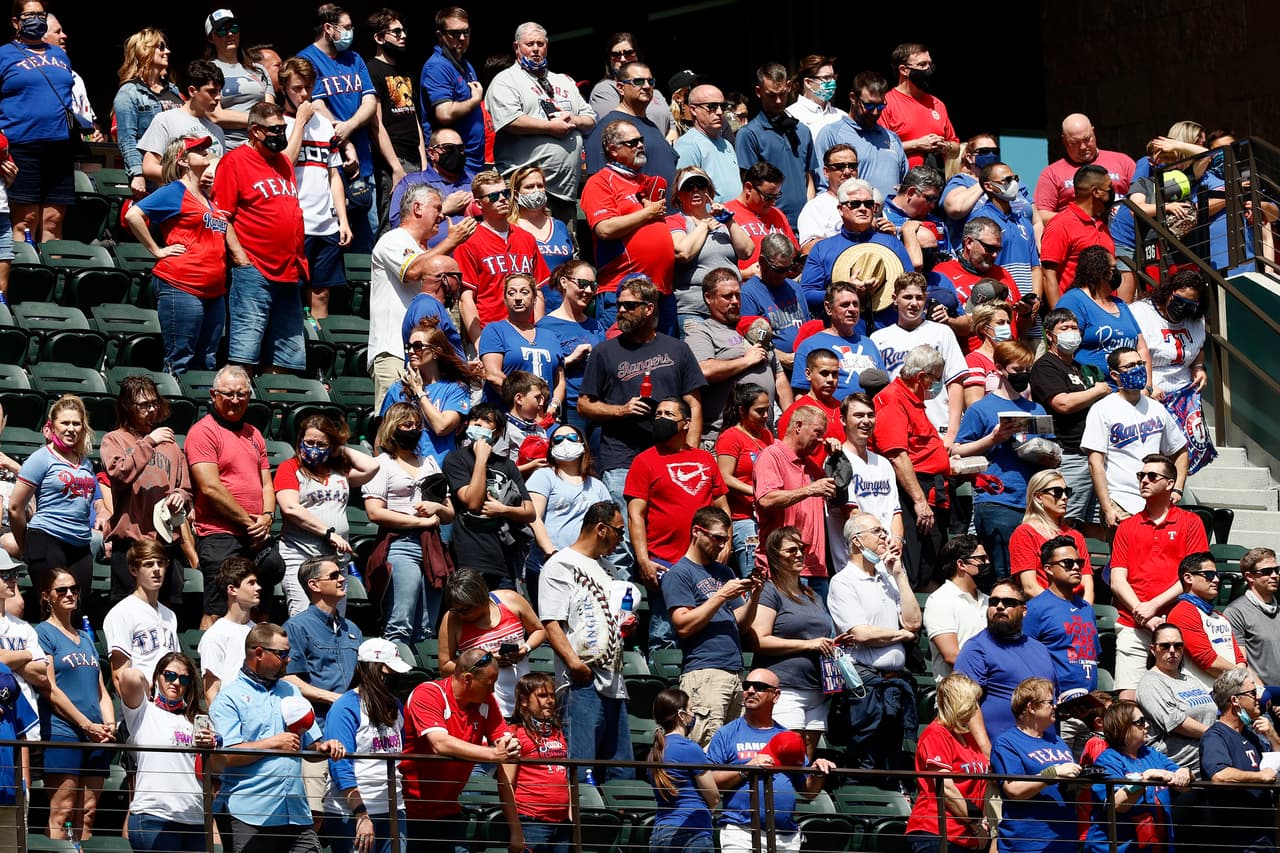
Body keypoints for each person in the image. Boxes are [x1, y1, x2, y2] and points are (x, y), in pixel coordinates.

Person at [578, 276, 706, 567]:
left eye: (628, 305)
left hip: (669, 456)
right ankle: (626, 608)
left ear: (649, 309)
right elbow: (584, 404)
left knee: (670, 532)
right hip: (621, 457)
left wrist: (691, 453)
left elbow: (694, 405)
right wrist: (620, 410)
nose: (620, 310)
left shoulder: (677, 349)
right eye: (618, 304)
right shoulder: (604, 352)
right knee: (619, 539)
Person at [209, 623, 346, 853]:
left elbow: (310, 745)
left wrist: (323, 747)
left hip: (295, 811)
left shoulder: (291, 691)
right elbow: (226, 757)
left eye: (288, 653)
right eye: (282, 654)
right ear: (259, 653)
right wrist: (272, 744)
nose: (289, 660)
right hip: (250, 813)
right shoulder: (228, 699)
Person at [538, 501, 637, 783]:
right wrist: (573, 663)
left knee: (622, 775)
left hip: (614, 680)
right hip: (582, 682)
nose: (621, 540)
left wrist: (626, 625)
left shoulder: (609, 570)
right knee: (581, 772)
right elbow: (551, 622)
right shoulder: (560, 564)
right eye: (619, 532)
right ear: (601, 529)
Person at [212, 101, 308, 375]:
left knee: (287, 357)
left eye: (283, 128)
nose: (281, 134)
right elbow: (222, 216)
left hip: (289, 271)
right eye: (275, 129)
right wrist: (241, 258)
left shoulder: (283, 163)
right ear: (255, 131)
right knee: (245, 354)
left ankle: (278, 406)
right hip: (255, 270)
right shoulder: (235, 162)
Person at [125, 133, 232, 374]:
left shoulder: (206, 197)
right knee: (180, 360)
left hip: (214, 290)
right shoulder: (175, 191)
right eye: (198, 149)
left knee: (208, 361)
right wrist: (157, 250)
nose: (205, 151)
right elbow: (133, 215)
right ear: (183, 160)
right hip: (182, 284)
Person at [399, 647, 522, 852]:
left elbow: (504, 739)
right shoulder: (428, 693)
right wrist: (493, 753)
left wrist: (511, 744)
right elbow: (440, 743)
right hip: (410, 813)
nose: (493, 691)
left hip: (449, 813)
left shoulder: (486, 701)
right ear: (467, 679)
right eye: (489, 684)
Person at [187, 367, 284, 626]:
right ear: (213, 394)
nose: (235, 399)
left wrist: (266, 516)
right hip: (220, 535)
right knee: (217, 612)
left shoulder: (254, 433)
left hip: (255, 535)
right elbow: (210, 487)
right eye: (228, 393)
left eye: (241, 394)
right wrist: (251, 523)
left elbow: (266, 484)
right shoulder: (203, 431)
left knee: (260, 612)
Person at [1108, 454, 1208, 700]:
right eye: (1141, 475)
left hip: (1177, 624)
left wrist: (1153, 607)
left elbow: (1192, 576)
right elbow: (1117, 579)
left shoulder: (1191, 522)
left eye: (1152, 476)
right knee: (1128, 702)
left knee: (1180, 700)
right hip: (1133, 623)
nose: (1144, 480)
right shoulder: (1127, 526)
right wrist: (1144, 614)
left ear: (1170, 483)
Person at [705, 667, 836, 853]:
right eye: (746, 685)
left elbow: (808, 791)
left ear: (776, 695)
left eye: (758, 686)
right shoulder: (726, 734)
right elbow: (710, 783)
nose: (750, 690)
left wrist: (818, 772)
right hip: (741, 833)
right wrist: (746, 768)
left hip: (785, 836)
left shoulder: (788, 738)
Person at [826, 512, 920, 771]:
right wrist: (900, 635)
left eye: (884, 531)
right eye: (877, 531)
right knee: (865, 760)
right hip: (864, 687)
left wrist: (899, 575)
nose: (885, 536)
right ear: (857, 540)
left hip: (894, 683)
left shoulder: (890, 577)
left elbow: (913, 622)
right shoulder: (843, 581)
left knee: (891, 762)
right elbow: (861, 634)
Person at [952, 340, 1051, 580]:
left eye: (1027, 370)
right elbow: (958, 449)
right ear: (999, 369)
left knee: (1033, 570)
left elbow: (1051, 452)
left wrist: (1041, 450)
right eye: (1018, 370)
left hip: (1033, 501)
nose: (1023, 375)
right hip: (998, 499)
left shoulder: (1035, 408)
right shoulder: (981, 409)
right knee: (1004, 571)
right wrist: (993, 438)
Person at [368, 183, 473, 408]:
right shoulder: (394, 239)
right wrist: (451, 241)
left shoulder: (423, 249)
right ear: (417, 208)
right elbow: (414, 271)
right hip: (395, 351)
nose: (442, 215)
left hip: (423, 356)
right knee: (395, 424)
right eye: (437, 208)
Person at [663, 506, 760, 746]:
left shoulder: (724, 571)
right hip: (704, 673)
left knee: (731, 752)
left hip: (734, 674)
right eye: (717, 538)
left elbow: (740, 623)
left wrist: (756, 596)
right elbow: (683, 625)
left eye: (725, 540)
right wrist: (720, 596)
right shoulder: (679, 573)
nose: (721, 545)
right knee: (705, 748)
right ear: (697, 532)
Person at [486, 22, 596, 220]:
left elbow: (591, 119)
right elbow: (509, 121)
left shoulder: (564, 81)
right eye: (529, 44)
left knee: (565, 248)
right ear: (516, 47)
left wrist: (573, 118)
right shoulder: (505, 80)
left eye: (540, 44)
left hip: (565, 191)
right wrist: (550, 128)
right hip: (525, 192)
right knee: (529, 248)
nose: (535, 49)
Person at [35, 568, 115, 840]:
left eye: (74, 588)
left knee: (88, 812)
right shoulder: (43, 632)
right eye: (62, 590)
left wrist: (109, 724)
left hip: (96, 734)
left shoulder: (86, 637)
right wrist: (85, 724)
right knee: (63, 811)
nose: (70, 593)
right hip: (63, 731)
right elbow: (50, 689)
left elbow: (101, 690)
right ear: (47, 596)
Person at [362, 403, 453, 642]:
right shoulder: (382, 464)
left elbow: (449, 513)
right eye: (407, 424)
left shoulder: (429, 463)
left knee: (426, 627)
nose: (413, 429)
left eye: (417, 425)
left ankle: (419, 676)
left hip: (432, 547)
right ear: (393, 428)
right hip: (400, 544)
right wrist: (418, 522)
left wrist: (437, 507)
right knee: (400, 622)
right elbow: (375, 512)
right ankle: (394, 677)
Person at [101, 376, 193, 605]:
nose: (151, 410)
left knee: (168, 611)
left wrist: (180, 496)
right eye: (144, 405)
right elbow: (118, 474)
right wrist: (149, 443)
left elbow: (187, 489)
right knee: (127, 609)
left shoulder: (170, 444)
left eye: (154, 403)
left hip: (165, 543)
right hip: (131, 542)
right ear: (127, 407)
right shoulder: (114, 440)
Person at [10, 395, 105, 617]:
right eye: (65, 423)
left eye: (76, 423)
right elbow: (15, 507)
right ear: (52, 427)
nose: (71, 428)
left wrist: (102, 512)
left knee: (76, 611)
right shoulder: (41, 458)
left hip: (81, 545)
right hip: (47, 539)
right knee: (53, 611)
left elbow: (96, 499)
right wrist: (25, 546)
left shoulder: (85, 462)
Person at [275, 416, 378, 617]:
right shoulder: (290, 468)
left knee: (334, 618)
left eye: (321, 444)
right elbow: (290, 508)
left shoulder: (339, 471)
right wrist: (328, 533)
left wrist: (341, 448)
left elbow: (372, 467)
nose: (314, 448)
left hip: (336, 560)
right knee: (304, 616)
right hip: (302, 556)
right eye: (309, 442)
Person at [296, 4, 380, 250]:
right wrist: (344, 140)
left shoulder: (354, 58)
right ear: (328, 28)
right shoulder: (307, 59)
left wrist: (350, 126)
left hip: (363, 161)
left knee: (369, 231)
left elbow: (369, 100)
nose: (351, 32)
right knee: (335, 235)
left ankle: (365, 287)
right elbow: (317, 103)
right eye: (347, 27)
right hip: (329, 163)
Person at [751, 527, 839, 756]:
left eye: (802, 549)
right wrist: (808, 645)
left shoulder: (813, 595)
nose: (799, 554)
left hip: (816, 689)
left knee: (807, 760)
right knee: (787, 755)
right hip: (785, 688)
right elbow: (759, 640)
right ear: (775, 556)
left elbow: (819, 636)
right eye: (791, 550)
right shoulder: (770, 591)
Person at [580, 120, 675, 332]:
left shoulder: (648, 183)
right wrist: (648, 212)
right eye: (632, 142)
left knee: (664, 361)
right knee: (623, 360)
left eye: (641, 140)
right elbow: (605, 228)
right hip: (624, 292)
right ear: (613, 150)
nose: (640, 145)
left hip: (662, 292)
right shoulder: (600, 182)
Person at [872, 345, 953, 589]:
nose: (938, 385)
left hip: (932, 488)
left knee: (931, 563)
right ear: (921, 377)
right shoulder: (894, 400)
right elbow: (897, 455)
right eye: (936, 379)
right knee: (916, 565)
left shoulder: (913, 400)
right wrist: (919, 501)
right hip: (913, 492)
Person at [278, 56, 352, 322]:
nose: (304, 94)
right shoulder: (277, 124)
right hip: (294, 224)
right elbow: (286, 162)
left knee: (321, 294)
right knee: (292, 294)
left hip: (326, 224)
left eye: (308, 87)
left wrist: (343, 220)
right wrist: (299, 122)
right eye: (297, 88)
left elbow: (334, 174)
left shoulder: (323, 125)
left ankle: (319, 354)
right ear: (283, 87)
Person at [117, 651, 213, 853]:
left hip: (194, 818)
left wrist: (213, 743)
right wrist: (148, 688)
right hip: (154, 815)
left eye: (183, 678)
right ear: (157, 676)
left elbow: (216, 767)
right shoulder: (144, 711)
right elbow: (128, 676)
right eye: (169, 675)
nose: (176, 682)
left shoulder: (198, 719)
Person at [321, 638, 410, 853]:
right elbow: (340, 766)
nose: (393, 679)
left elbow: (399, 752)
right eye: (388, 673)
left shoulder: (395, 706)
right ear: (371, 670)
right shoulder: (345, 707)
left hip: (393, 808)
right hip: (352, 813)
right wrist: (361, 813)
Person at [1081, 354, 1188, 528]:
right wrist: (1107, 507)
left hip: (1156, 503)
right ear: (1115, 375)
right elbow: (1095, 463)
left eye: (1140, 363)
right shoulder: (1102, 409)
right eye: (1130, 365)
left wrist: (1177, 488)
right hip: (1121, 502)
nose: (1138, 369)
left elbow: (1180, 450)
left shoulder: (1156, 408)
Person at [1029, 309, 1110, 535]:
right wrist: (1098, 391)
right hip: (1070, 455)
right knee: (1064, 518)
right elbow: (1062, 403)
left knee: (1096, 523)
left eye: (1074, 328)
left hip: (1095, 455)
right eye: (1064, 328)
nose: (1071, 333)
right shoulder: (1046, 366)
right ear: (1050, 335)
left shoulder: (1080, 368)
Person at [0, 0, 74, 242]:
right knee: (25, 221)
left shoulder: (59, 55)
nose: (37, 20)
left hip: (59, 147)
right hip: (22, 147)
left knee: (54, 220)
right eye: (30, 15)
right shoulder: (4, 54)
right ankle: (23, 275)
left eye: (41, 15)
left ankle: (54, 278)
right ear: (15, 22)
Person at [687, 270, 790, 444]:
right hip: (724, 438)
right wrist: (746, 360)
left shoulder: (755, 328)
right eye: (727, 296)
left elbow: (779, 377)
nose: (735, 301)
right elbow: (704, 369)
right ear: (708, 298)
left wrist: (788, 419)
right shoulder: (702, 332)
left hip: (765, 437)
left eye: (737, 295)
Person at [1130, 270, 1214, 473]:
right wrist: (1146, 385)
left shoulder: (1195, 318)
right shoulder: (1140, 312)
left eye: (1190, 303)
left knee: (1183, 453)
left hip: (1183, 396)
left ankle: (1176, 494)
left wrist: (1198, 368)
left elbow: (1198, 348)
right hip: (1150, 392)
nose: (1182, 306)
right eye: (1179, 299)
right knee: (1153, 456)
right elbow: (1127, 354)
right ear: (1169, 292)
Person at [443, 404, 535, 587]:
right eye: (475, 419)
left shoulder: (508, 465)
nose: (478, 423)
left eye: (486, 420)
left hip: (504, 559)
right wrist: (481, 459)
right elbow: (472, 503)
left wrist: (504, 510)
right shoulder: (456, 459)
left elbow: (530, 512)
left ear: (498, 431)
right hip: (470, 558)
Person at [955, 582, 1058, 747]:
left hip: (1045, 750)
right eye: (994, 602)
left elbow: (1050, 698)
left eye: (1008, 603)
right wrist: (987, 751)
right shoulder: (976, 648)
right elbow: (965, 704)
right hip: (1004, 752)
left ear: (1024, 611)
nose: (1000, 606)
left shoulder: (1040, 649)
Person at [456, 171, 550, 348]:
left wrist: (539, 333)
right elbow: (466, 298)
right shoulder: (468, 241)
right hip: (490, 334)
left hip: (527, 334)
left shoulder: (526, 238)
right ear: (478, 204)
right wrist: (480, 344)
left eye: (505, 193)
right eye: (493, 196)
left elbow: (538, 292)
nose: (502, 199)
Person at [1083, 700, 1190, 853]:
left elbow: (1181, 781)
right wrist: (1144, 779)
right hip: (1116, 847)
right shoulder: (1106, 760)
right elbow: (1117, 805)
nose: (1146, 725)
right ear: (1123, 726)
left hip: (1157, 845)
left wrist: (1185, 772)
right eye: (1140, 722)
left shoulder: (1150, 753)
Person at [989, 677, 1082, 853]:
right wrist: (1051, 773)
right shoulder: (1007, 743)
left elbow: (1065, 787)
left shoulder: (1057, 741)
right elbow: (1013, 790)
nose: (1055, 706)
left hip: (1063, 839)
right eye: (1049, 702)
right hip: (1027, 843)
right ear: (1031, 707)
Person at [438, 568, 545, 719]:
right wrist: (485, 662)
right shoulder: (451, 619)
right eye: (457, 610)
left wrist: (525, 648)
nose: (461, 615)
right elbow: (445, 666)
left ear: (482, 598)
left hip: (525, 701)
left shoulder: (510, 600)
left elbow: (539, 630)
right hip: (484, 708)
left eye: (466, 610)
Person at [904, 673, 994, 853]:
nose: (977, 708)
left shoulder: (969, 736)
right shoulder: (936, 733)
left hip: (967, 835)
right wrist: (975, 825)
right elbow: (946, 788)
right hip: (937, 832)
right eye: (973, 701)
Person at [754, 405, 835, 592]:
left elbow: (838, 495)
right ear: (798, 426)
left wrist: (837, 458)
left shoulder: (812, 465)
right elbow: (766, 499)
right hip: (783, 569)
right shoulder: (772, 455)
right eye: (817, 432)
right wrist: (808, 490)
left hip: (816, 568)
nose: (821, 439)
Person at [1198, 669, 1280, 853]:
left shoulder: (1251, 734)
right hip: (1237, 840)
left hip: (1265, 835)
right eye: (1252, 693)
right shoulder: (1215, 736)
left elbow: (1276, 761)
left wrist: (1272, 735)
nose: (1258, 698)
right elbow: (1219, 775)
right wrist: (1259, 777)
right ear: (1235, 700)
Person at [527, 423, 611, 600]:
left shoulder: (598, 486)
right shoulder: (544, 476)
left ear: (582, 443)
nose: (565, 442)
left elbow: (609, 526)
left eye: (572, 438)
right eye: (558, 439)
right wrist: (551, 552)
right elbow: (534, 516)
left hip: (588, 570)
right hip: (549, 566)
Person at [283, 555, 364, 735]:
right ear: (314, 585)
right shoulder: (296, 627)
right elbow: (288, 679)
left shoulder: (352, 628)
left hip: (355, 726)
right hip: (317, 729)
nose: (342, 578)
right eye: (334, 576)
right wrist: (334, 698)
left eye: (341, 574)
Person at [733, 64, 817, 229]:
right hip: (769, 225)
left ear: (788, 87)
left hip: (804, 225)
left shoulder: (802, 131)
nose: (778, 101)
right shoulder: (749, 134)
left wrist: (810, 215)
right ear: (758, 92)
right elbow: (749, 186)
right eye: (771, 95)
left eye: (782, 94)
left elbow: (808, 178)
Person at [668, 168, 753, 330]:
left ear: (708, 191)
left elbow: (747, 251)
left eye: (700, 185)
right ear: (678, 195)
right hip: (695, 310)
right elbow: (683, 252)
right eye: (688, 186)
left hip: (729, 309)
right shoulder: (675, 221)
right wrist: (705, 225)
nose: (695, 190)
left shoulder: (722, 222)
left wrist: (729, 221)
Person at [382, 321, 477, 465]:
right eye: (409, 347)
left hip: (440, 471)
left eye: (418, 346)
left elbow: (441, 427)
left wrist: (419, 391)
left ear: (435, 352)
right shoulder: (397, 389)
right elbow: (382, 437)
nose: (411, 351)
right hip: (404, 471)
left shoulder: (455, 389)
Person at [366, 8, 425, 234]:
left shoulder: (405, 69)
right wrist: (395, 167)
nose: (403, 36)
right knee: (392, 222)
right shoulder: (372, 70)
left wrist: (423, 157)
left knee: (417, 222)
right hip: (393, 159)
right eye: (396, 32)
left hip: (415, 158)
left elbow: (413, 115)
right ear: (379, 38)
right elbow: (375, 123)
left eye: (403, 31)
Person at [1023, 537, 1100, 705]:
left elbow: (1092, 654)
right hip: (1055, 705)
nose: (1076, 567)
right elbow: (1024, 659)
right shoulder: (1035, 609)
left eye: (1079, 562)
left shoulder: (1086, 608)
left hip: (1089, 703)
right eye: (1067, 562)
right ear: (1049, 569)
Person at [501, 672, 571, 853]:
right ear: (524, 701)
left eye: (551, 695)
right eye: (542, 695)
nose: (549, 701)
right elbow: (505, 784)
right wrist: (516, 831)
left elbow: (564, 776)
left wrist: (570, 816)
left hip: (562, 824)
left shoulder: (558, 732)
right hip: (531, 823)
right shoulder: (515, 733)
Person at [647, 687, 720, 853]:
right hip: (691, 832)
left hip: (660, 833)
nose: (693, 715)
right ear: (681, 715)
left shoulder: (654, 752)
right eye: (691, 710)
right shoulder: (689, 748)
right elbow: (713, 796)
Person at [813, 72, 907, 201]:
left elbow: (905, 187)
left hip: (891, 220)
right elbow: (823, 187)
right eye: (869, 105)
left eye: (880, 106)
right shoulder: (831, 134)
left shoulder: (892, 138)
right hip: (853, 217)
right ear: (853, 97)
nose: (875, 112)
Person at [1137, 624, 1216, 776]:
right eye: (1165, 646)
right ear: (1153, 649)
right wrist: (1217, 735)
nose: (1172, 651)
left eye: (1178, 646)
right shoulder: (1150, 683)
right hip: (1177, 772)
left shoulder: (1190, 680)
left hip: (1208, 764)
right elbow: (1175, 722)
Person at [583, 57, 678, 184]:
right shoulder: (607, 128)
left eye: (650, 81)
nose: (646, 86)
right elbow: (599, 185)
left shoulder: (651, 126)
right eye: (638, 81)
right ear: (620, 88)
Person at [113, 27, 183, 197]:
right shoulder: (129, 93)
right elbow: (128, 138)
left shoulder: (174, 91)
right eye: (161, 47)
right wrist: (137, 174)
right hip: (153, 178)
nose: (167, 51)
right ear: (145, 51)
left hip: (180, 173)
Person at [1166, 552, 1251, 691]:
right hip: (1203, 697)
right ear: (1188, 578)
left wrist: (1242, 679)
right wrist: (1243, 677)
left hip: (1230, 692)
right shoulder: (1183, 612)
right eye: (1209, 575)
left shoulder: (1219, 616)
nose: (1217, 580)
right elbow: (1208, 661)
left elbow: (1239, 657)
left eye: (1217, 575)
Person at [478, 272, 565, 407]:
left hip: (545, 416)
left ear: (535, 297)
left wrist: (554, 406)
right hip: (507, 415)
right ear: (505, 299)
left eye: (524, 292)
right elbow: (493, 375)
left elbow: (559, 380)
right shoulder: (495, 330)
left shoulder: (550, 336)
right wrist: (525, 404)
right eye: (511, 293)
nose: (517, 298)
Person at [537, 260, 603, 438]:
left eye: (593, 286)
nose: (588, 291)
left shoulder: (595, 325)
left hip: (597, 407)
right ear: (564, 282)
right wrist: (569, 359)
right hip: (569, 408)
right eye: (582, 284)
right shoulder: (546, 326)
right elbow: (539, 371)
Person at [104, 539, 180, 693]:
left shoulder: (170, 615)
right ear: (133, 570)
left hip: (170, 704)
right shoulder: (122, 613)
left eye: (160, 563)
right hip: (141, 705)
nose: (156, 569)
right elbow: (119, 676)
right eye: (149, 564)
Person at [789, 281, 885, 401]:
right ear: (828, 308)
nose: (852, 309)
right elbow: (801, 394)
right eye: (845, 305)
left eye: (855, 304)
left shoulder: (868, 343)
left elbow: (884, 384)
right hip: (831, 416)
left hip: (868, 415)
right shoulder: (810, 346)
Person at [1056, 247, 1145, 377]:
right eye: (1113, 269)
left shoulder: (1120, 304)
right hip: (1095, 387)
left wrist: (1147, 386)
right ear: (1098, 271)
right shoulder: (1074, 301)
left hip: (1131, 387)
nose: (1117, 273)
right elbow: (1063, 348)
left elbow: (1141, 347)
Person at [715, 383, 774, 576]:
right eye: (759, 411)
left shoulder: (766, 435)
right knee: (754, 580)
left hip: (767, 518)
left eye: (768, 410)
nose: (765, 416)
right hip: (744, 520)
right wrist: (757, 493)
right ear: (742, 410)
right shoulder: (730, 437)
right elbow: (724, 477)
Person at [1010, 470, 1095, 602]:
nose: (1065, 497)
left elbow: (1087, 584)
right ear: (1038, 497)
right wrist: (1062, 610)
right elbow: (1030, 587)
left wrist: (1085, 614)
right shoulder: (1025, 533)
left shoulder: (1076, 536)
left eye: (1067, 491)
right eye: (1057, 492)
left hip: (1076, 611)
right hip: (1043, 611)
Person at [137, 60, 228, 184]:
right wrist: (189, 178)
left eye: (219, 91)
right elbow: (149, 167)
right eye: (212, 91)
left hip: (209, 201)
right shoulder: (166, 120)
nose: (218, 97)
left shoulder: (217, 130)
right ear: (192, 91)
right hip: (178, 199)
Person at [1035, 114, 1136, 221]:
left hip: (1124, 231)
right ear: (1064, 141)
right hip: (1079, 233)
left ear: (1093, 131)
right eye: (1074, 143)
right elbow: (1041, 215)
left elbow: (1143, 198)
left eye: (1087, 139)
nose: (1083, 147)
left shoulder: (1123, 161)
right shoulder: (1051, 173)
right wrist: (1078, 219)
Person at [419, 7, 484, 173]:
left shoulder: (466, 65)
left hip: (474, 162)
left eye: (466, 32)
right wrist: (475, 100)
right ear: (440, 36)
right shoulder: (437, 67)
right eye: (455, 34)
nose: (462, 38)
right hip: (453, 165)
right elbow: (445, 113)